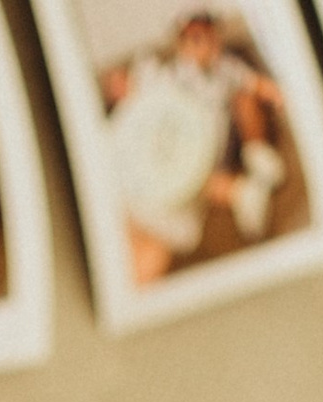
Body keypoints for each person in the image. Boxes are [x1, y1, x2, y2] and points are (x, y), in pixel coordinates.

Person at [99, 8, 287, 284]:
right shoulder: (162, 72)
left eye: (204, 38)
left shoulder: (227, 69)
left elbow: (258, 88)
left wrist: (275, 95)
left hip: (207, 144)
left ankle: (249, 175)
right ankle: (240, 192)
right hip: (164, 144)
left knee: (154, 244)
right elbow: (139, 101)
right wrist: (122, 86)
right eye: (191, 39)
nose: (199, 45)